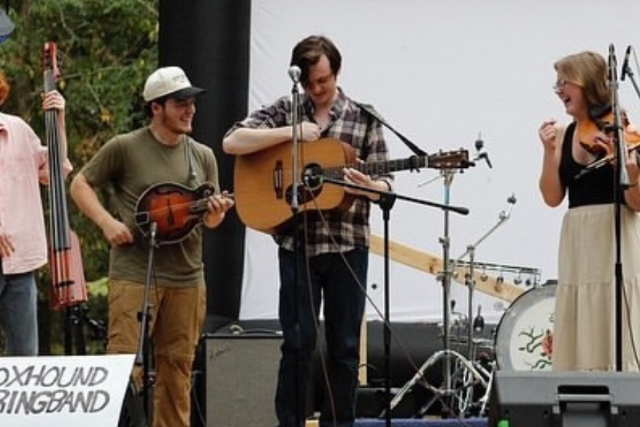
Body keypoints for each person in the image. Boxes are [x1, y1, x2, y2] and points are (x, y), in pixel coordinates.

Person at [223, 35, 393, 427]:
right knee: (298, 342)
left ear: (337, 72)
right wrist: (290, 133)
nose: (317, 91)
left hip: (348, 245)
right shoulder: (287, 109)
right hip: (296, 244)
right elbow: (232, 141)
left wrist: (361, 187)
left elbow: (385, 186)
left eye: (324, 81)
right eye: (310, 83)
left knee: (345, 347)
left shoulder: (365, 118)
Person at [70, 66, 234, 427]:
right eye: (180, 102)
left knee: (177, 374)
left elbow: (209, 220)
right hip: (133, 275)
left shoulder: (202, 156)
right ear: (155, 107)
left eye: (192, 101)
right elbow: (79, 184)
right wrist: (107, 223)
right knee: (123, 370)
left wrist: (218, 213)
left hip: (187, 278)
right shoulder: (124, 147)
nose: (190, 109)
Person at [538, 50, 640, 371]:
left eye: (565, 82)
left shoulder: (621, 129)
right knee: (580, 308)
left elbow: (636, 204)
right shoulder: (566, 133)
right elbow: (552, 197)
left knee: (615, 309)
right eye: (557, 84)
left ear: (587, 84)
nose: (559, 90)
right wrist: (549, 151)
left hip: (614, 232)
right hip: (578, 238)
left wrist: (628, 171)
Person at [0, 70, 71, 356]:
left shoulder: (18, 130)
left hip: (20, 263)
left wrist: (58, 120)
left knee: (25, 358)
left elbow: (55, 169)